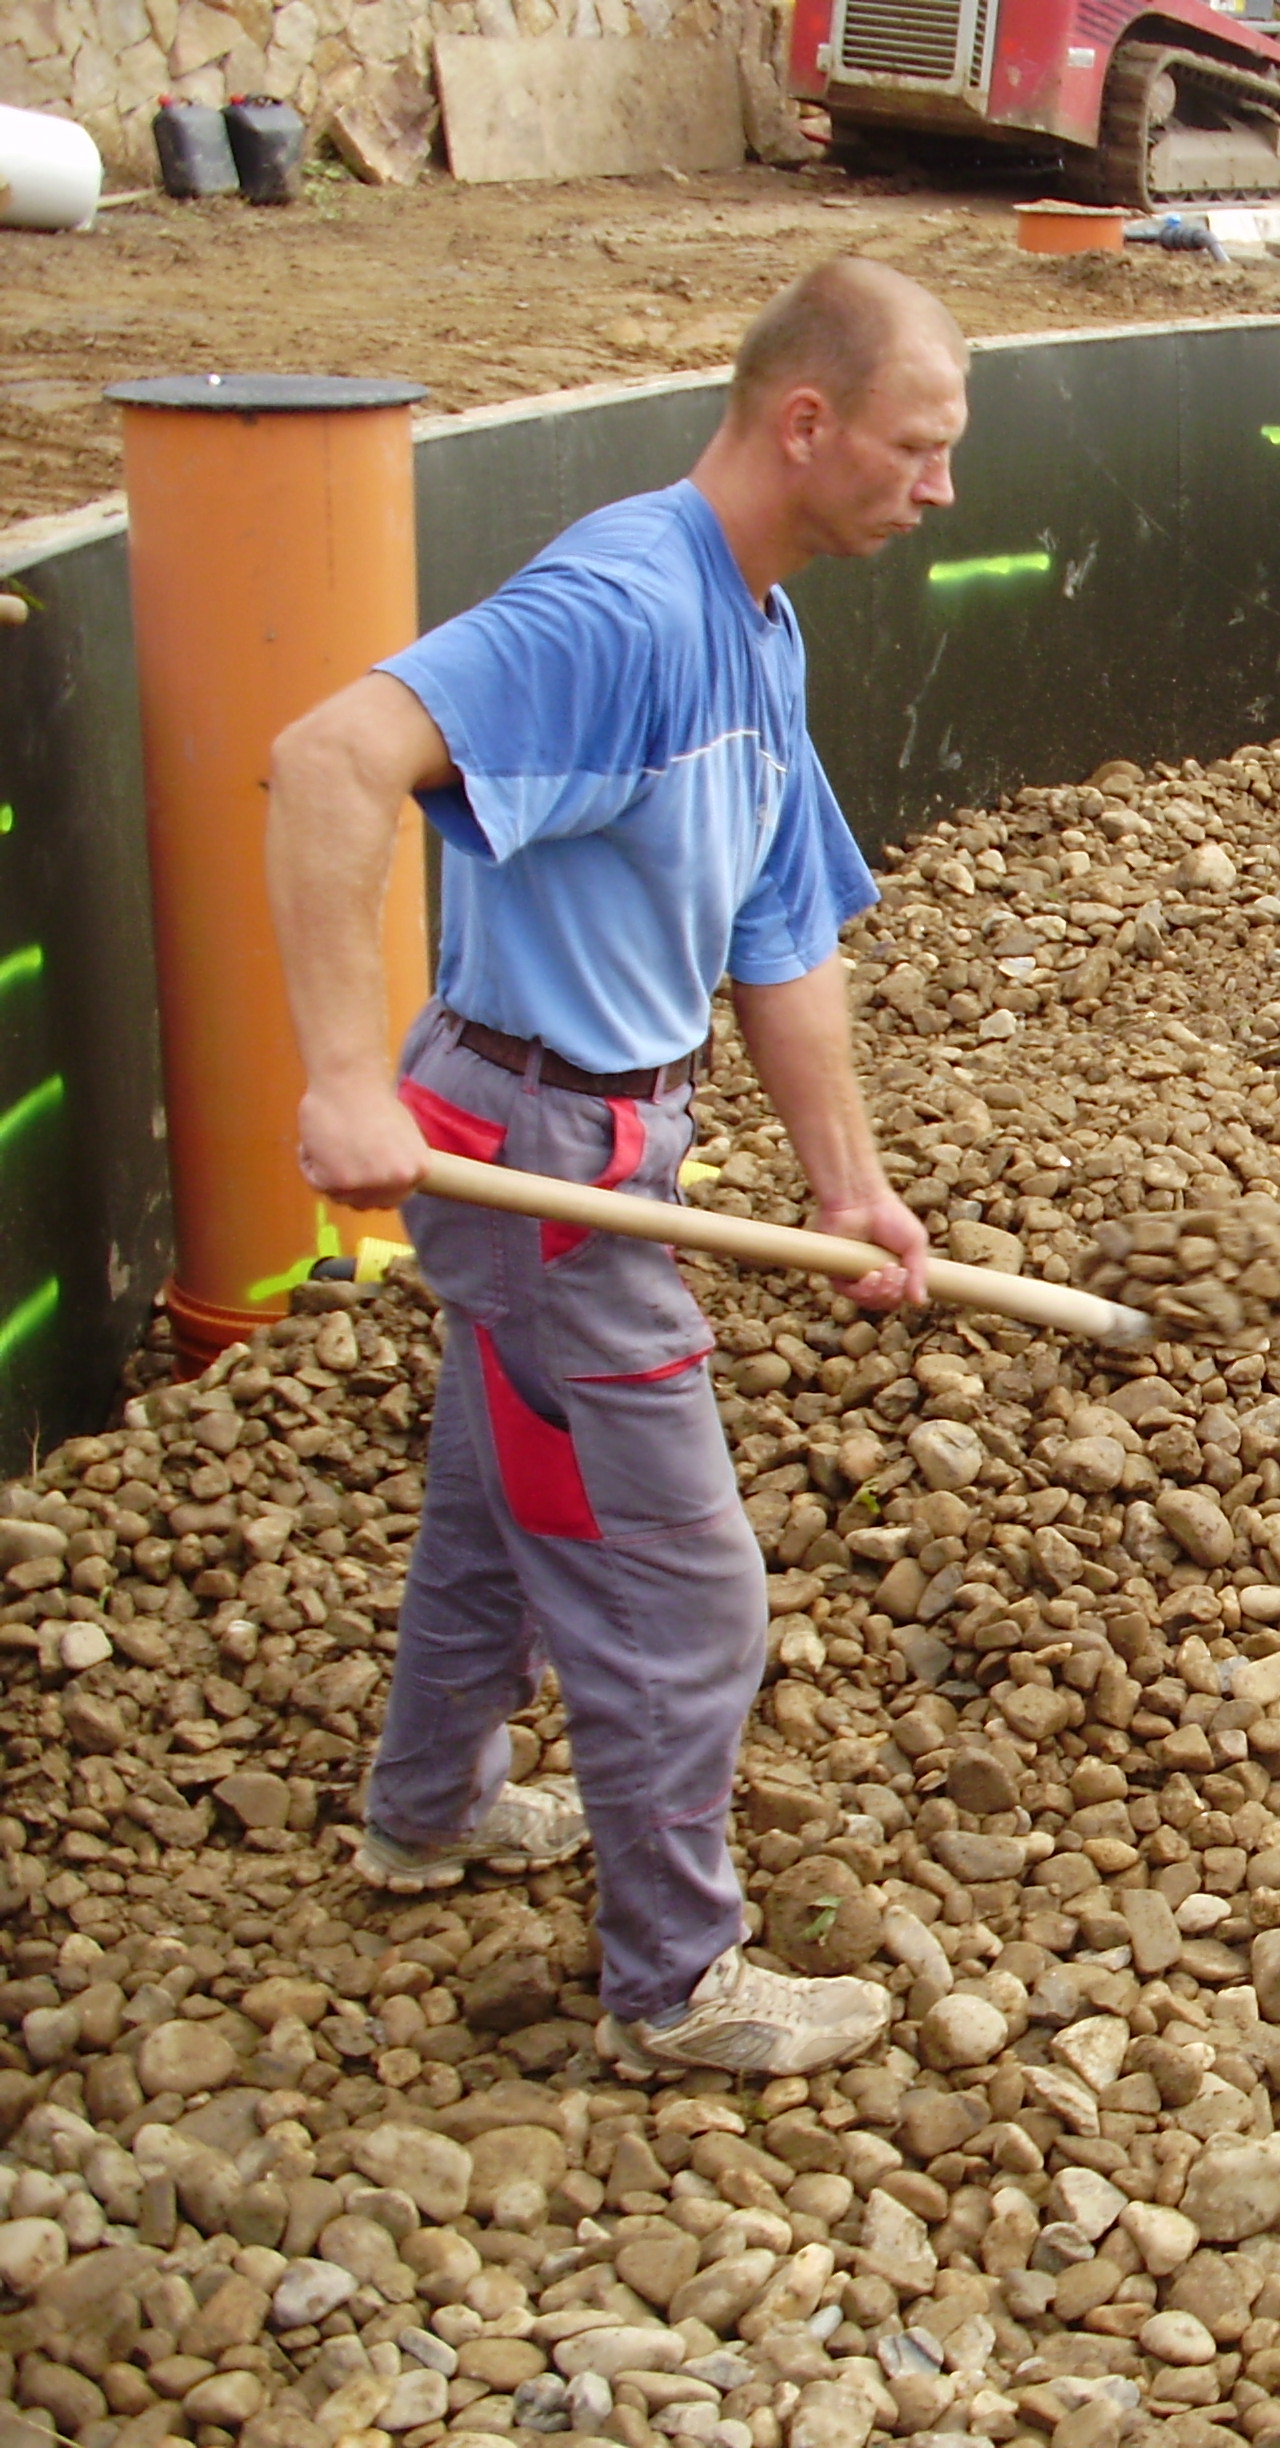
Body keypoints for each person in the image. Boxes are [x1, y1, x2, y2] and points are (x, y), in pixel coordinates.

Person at [264, 257, 965, 2080]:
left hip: (606, 1129)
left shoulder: (756, 625)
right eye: (916, 445)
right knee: (686, 1594)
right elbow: (329, 761)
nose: (938, 487)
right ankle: (676, 1979)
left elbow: (781, 935)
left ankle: (427, 1808)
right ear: (804, 423)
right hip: (526, 1153)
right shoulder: (621, 604)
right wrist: (344, 1075)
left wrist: (845, 1190)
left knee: (502, 1493)